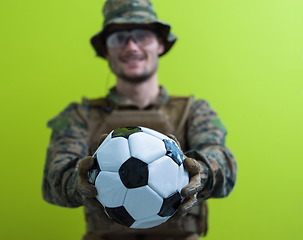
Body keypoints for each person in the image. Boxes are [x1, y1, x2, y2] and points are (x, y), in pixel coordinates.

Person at [42, 0, 237, 240]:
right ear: (106, 50)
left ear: (161, 44)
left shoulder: (195, 111)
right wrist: (80, 181)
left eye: (142, 35)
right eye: (119, 37)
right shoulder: (79, 116)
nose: (131, 46)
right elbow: (53, 180)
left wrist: (198, 174)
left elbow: (225, 166)